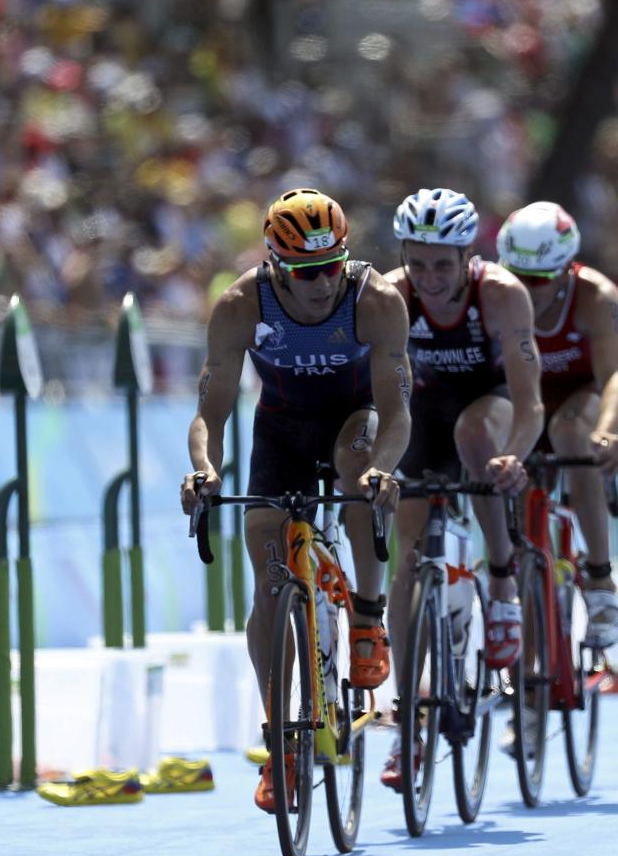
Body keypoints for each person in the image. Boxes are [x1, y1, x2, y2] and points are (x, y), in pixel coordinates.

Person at [179, 188, 412, 813]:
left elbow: (396, 410)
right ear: (277, 267)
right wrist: (203, 471)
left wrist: (385, 471)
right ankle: (279, 738)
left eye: (333, 265)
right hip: (279, 429)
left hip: (354, 421)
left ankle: (366, 614)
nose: (322, 282)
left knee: (356, 470)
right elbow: (212, 411)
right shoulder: (238, 305)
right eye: (307, 272)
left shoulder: (376, 301)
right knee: (267, 581)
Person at [380, 187, 544, 790]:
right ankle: (406, 726)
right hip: (421, 416)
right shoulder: (391, 295)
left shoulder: (500, 294)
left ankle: (500, 575)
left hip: (489, 406)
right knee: (408, 558)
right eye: (416, 263)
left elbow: (530, 401)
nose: (428, 278)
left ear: (467, 257)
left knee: (476, 435)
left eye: (441, 266)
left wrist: (515, 458)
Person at [494, 200, 618, 650]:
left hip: (578, 395)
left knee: (573, 434)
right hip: (522, 397)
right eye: (519, 276)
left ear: (566, 268)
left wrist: (609, 431)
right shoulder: (493, 292)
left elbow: (616, 373)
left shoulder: (597, 296)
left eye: (540, 279)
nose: (528, 289)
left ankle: (599, 580)